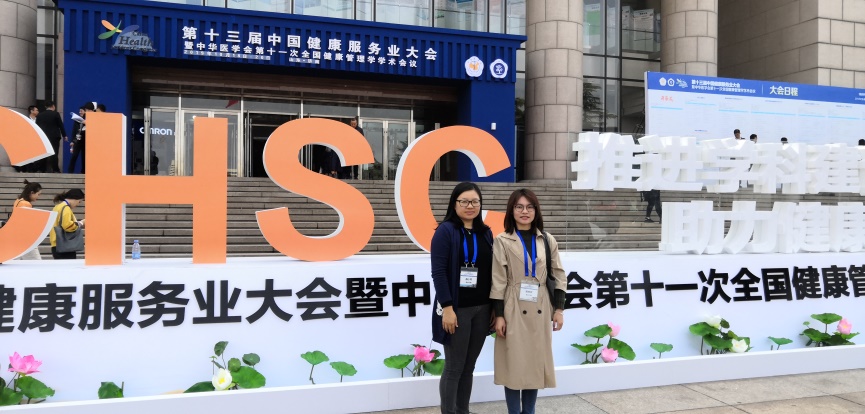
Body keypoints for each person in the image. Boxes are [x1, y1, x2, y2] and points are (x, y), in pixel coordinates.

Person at [490, 188, 566, 414]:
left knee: (534, 362)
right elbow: (498, 280)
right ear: (511, 210)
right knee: (513, 364)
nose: (525, 211)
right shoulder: (502, 240)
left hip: (541, 305)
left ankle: (529, 411)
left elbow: (559, 275)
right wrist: (499, 315)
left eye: (529, 207)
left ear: (536, 210)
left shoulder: (547, 240)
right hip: (513, 305)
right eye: (519, 207)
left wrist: (559, 309)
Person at [430, 182, 494, 414]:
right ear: (454, 204)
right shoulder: (445, 231)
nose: (470, 206)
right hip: (457, 309)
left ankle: (462, 410)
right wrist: (447, 308)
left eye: (475, 201)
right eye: (464, 201)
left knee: (469, 367)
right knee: (454, 367)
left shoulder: (485, 233)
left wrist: (494, 308)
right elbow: (438, 272)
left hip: (482, 308)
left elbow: (491, 271)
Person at [49, 189, 85, 260]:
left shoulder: (57, 207)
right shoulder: (66, 208)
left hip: (56, 244)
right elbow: (67, 226)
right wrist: (81, 223)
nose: (78, 204)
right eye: (79, 202)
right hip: (65, 246)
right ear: (75, 199)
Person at [12, 180, 44, 260]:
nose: (38, 197)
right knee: (35, 262)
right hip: (26, 239)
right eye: (38, 194)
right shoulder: (26, 204)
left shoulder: (18, 201)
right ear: (32, 193)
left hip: (17, 236)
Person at [34, 101, 68, 173]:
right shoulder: (56, 114)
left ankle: (41, 169)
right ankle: (55, 169)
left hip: (43, 136)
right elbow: (60, 125)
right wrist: (64, 135)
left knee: (43, 152)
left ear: (45, 107)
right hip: (54, 136)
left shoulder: (40, 115)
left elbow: (36, 126)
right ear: (53, 106)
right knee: (54, 152)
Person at [68, 102, 95, 174]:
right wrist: (72, 141)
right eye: (85, 110)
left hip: (87, 139)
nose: (82, 112)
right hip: (78, 139)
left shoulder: (93, 117)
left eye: (83, 110)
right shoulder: (78, 119)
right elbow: (74, 131)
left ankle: (84, 171)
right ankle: (70, 171)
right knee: (74, 155)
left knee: (85, 155)